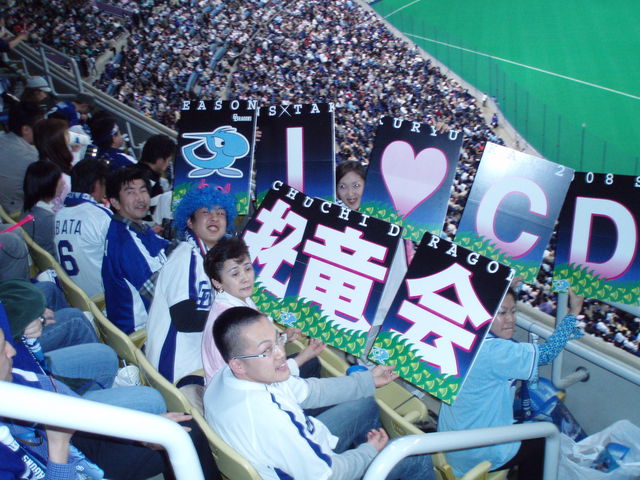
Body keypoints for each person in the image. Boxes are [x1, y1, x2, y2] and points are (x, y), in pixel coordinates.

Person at [204, 306, 434, 480]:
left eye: (278, 340)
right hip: (318, 472)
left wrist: (369, 380)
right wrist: (369, 452)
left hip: (298, 455)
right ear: (238, 365)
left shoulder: (225, 376)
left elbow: (311, 392)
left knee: (365, 404)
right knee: (415, 456)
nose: (281, 353)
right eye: (267, 350)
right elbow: (326, 475)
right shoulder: (272, 418)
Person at [0, 303, 222, 480]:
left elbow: (74, 408)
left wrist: (140, 431)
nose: (12, 351)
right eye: (2, 348)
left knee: (183, 430)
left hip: (71, 445)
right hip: (61, 458)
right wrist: (59, 447)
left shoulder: (17, 380)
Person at [437, 288, 584, 479]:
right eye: (502, 313)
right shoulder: (497, 351)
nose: (511, 319)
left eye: (513, 311)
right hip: (474, 453)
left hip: (447, 443)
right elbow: (548, 353)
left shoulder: (459, 334)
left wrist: (511, 284)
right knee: (544, 438)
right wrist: (574, 312)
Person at [146, 182, 236, 393]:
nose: (214, 218)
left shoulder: (212, 258)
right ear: (189, 221)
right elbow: (185, 320)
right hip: (178, 370)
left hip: (195, 359)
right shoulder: (187, 256)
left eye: (220, 213)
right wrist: (236, 319)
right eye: (205, 212)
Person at [201, 236, 323, 384]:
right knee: (311, 365)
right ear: (217, 283)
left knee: (311, 364)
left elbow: (259, 351)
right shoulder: (232, 320)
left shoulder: (240, 300)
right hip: (242, 390)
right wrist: (305, 355)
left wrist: (284, 337)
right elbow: (257, 377)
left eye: (247, 269)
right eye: (235, 274)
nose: (245, 278)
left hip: (247, 378)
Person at [102, 165, 169, 334]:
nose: (140, 198)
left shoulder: (134, 227)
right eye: (131, 192)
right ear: (115, 202)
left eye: (143, 190)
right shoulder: (125, 242)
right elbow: (159, 294)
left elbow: (166, 247)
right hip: (143, 333)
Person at [54, 159, 112, 298]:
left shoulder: (58, 215)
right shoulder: (101, 215)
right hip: (102, 298)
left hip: (74, 297)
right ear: (97, 184)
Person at [0, 101, 44, 216]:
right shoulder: (32, 157)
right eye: (41, 127)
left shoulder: (2, 137)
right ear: (26, 129)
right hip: (14, 213)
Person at [20, 161, 65, 258]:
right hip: (59, 262)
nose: (64, 182)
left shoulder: (27, 209)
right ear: (48, 185)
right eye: (59, 179)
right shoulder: (48, 220)